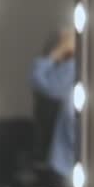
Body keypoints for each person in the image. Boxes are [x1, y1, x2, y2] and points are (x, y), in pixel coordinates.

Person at [30, 27, 77, 178]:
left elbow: (39, 79)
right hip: (67, 162)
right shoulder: (73, 68)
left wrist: (56, 53)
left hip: (67, 165)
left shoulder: (76, 68)